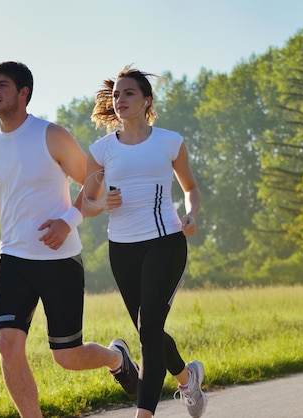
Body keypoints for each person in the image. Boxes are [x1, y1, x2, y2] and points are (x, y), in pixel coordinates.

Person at [0, 61, 139, 418]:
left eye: (3, 85)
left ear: (23, 93)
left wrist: (67, 221)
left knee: (67, 357)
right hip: (12, 259)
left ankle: (116, 357)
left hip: (60, 261)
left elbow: (94, 180)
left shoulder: (50, 135)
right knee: (7, 344)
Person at [81, 66, 206, 418]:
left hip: (165, 240)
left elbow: (191, 188)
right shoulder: (101, 150)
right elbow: (85, 203)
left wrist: (191, 214)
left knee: (149, 328)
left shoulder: (169, 141)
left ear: (146, 100)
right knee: (147, 329)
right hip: (121, 249)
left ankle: (145, 415)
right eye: (116, 94)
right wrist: (102, 203)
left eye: (129, 93)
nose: (120, 99)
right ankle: (187, 377)